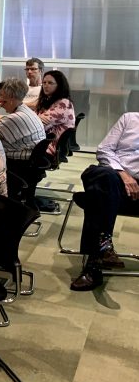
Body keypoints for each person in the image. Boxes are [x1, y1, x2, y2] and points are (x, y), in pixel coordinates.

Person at [70, 113, 139, 291]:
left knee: (96, 198)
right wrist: (123, 174)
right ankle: (103, 245)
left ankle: (94, 266)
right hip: (114, 176)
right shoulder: (129, 119)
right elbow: (104, 150)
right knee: (103, 177)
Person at [35, 69, 75, 156]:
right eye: (44, 82)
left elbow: (38, 122)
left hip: (50, 147)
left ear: (59, 86)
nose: (46, 85)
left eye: (50, 83)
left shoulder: (63, 103)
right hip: (44, 141)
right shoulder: (49, 101)